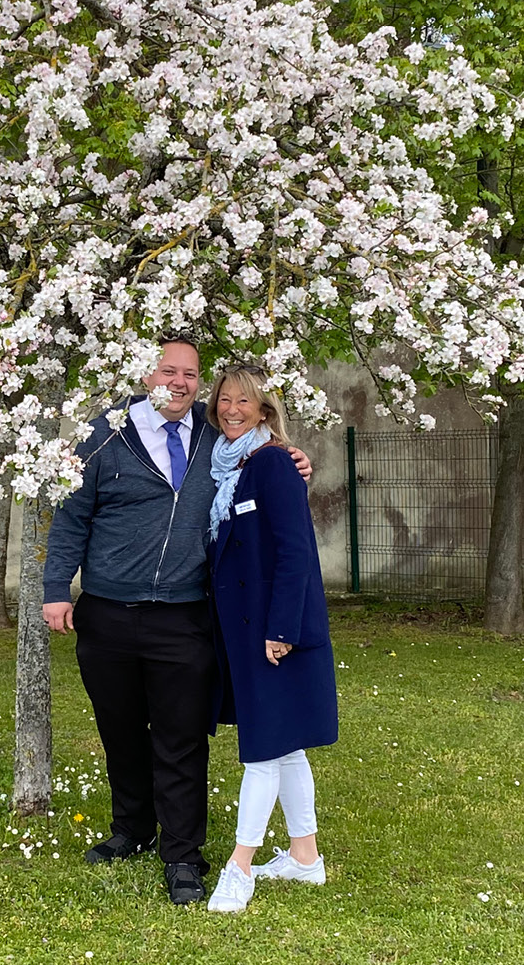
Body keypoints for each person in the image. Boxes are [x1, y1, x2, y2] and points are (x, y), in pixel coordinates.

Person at [39, 338, 309, 908]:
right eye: (169, 370)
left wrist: (295, 459)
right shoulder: (106, 433)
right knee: (120, 730)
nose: (181, 382)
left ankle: (183, 855)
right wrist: (54, 590)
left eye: (190, 374)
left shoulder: (219, 440)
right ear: (148, 374)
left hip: (185, 618)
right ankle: (131, 829)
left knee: (181, 739)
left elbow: (263, 462)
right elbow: (70, 515)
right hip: (108, 612)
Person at [201, 366, 338, 913]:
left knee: (262, 747)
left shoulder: (274, 463)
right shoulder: (227, 466)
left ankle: (240, 866)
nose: (232, 409)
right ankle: (306, 859)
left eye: (245, 402)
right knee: (284, 745)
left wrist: (281, 630)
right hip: (244, 630)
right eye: (225, 400)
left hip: (273, 633)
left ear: (265, 411)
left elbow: (296, 551)